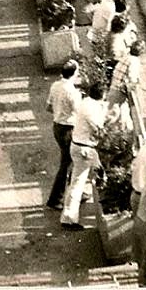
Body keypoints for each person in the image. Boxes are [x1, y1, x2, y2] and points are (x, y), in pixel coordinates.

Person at [60, 84, 107, 230]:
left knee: (78, 180)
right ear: (102, 95)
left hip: (78, 145)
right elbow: (99, 130)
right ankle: (69, 219)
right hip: (85, 149)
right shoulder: (93, 110)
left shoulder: (85, 102)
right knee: (83, 181)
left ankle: (69, 214)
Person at [45, 59, 82, 210]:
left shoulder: (55, 85)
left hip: (57, 126)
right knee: (67, 163)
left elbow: (48, 107)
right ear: (74, 74)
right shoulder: (73, 92)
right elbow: (80, 113)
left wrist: (60, 112)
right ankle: (55, 199)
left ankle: (76, 190)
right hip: (68, 129)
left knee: (71, 160)